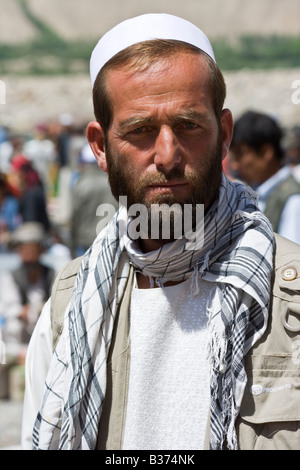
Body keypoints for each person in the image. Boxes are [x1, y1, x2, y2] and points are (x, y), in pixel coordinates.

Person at [22, 14, 300, 451]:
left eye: (188, 125)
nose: (168, 155)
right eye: (140, 130)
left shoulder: (291, 297)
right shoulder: (71, 304)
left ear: (223, 135)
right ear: (99, 146)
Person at [0, 222, 55, 398]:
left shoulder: (51, 274)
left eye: (33, 251)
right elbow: (13, 309)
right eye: (25, 251)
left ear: (40, 251)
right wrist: (30, 311)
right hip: (19, 337)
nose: (29, 257)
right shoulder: (11, 276)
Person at [230, 110, 300, 244]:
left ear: (266, 152)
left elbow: (292, 260)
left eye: (241, 154)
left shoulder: (293, 201)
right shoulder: (255, 193)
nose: (236, 165)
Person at [70, 142, 117, 257]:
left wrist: (71, 243)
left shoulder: (81, 185)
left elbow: (74, 217)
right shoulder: (116, 184)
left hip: (85, 244)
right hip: (112, 242)